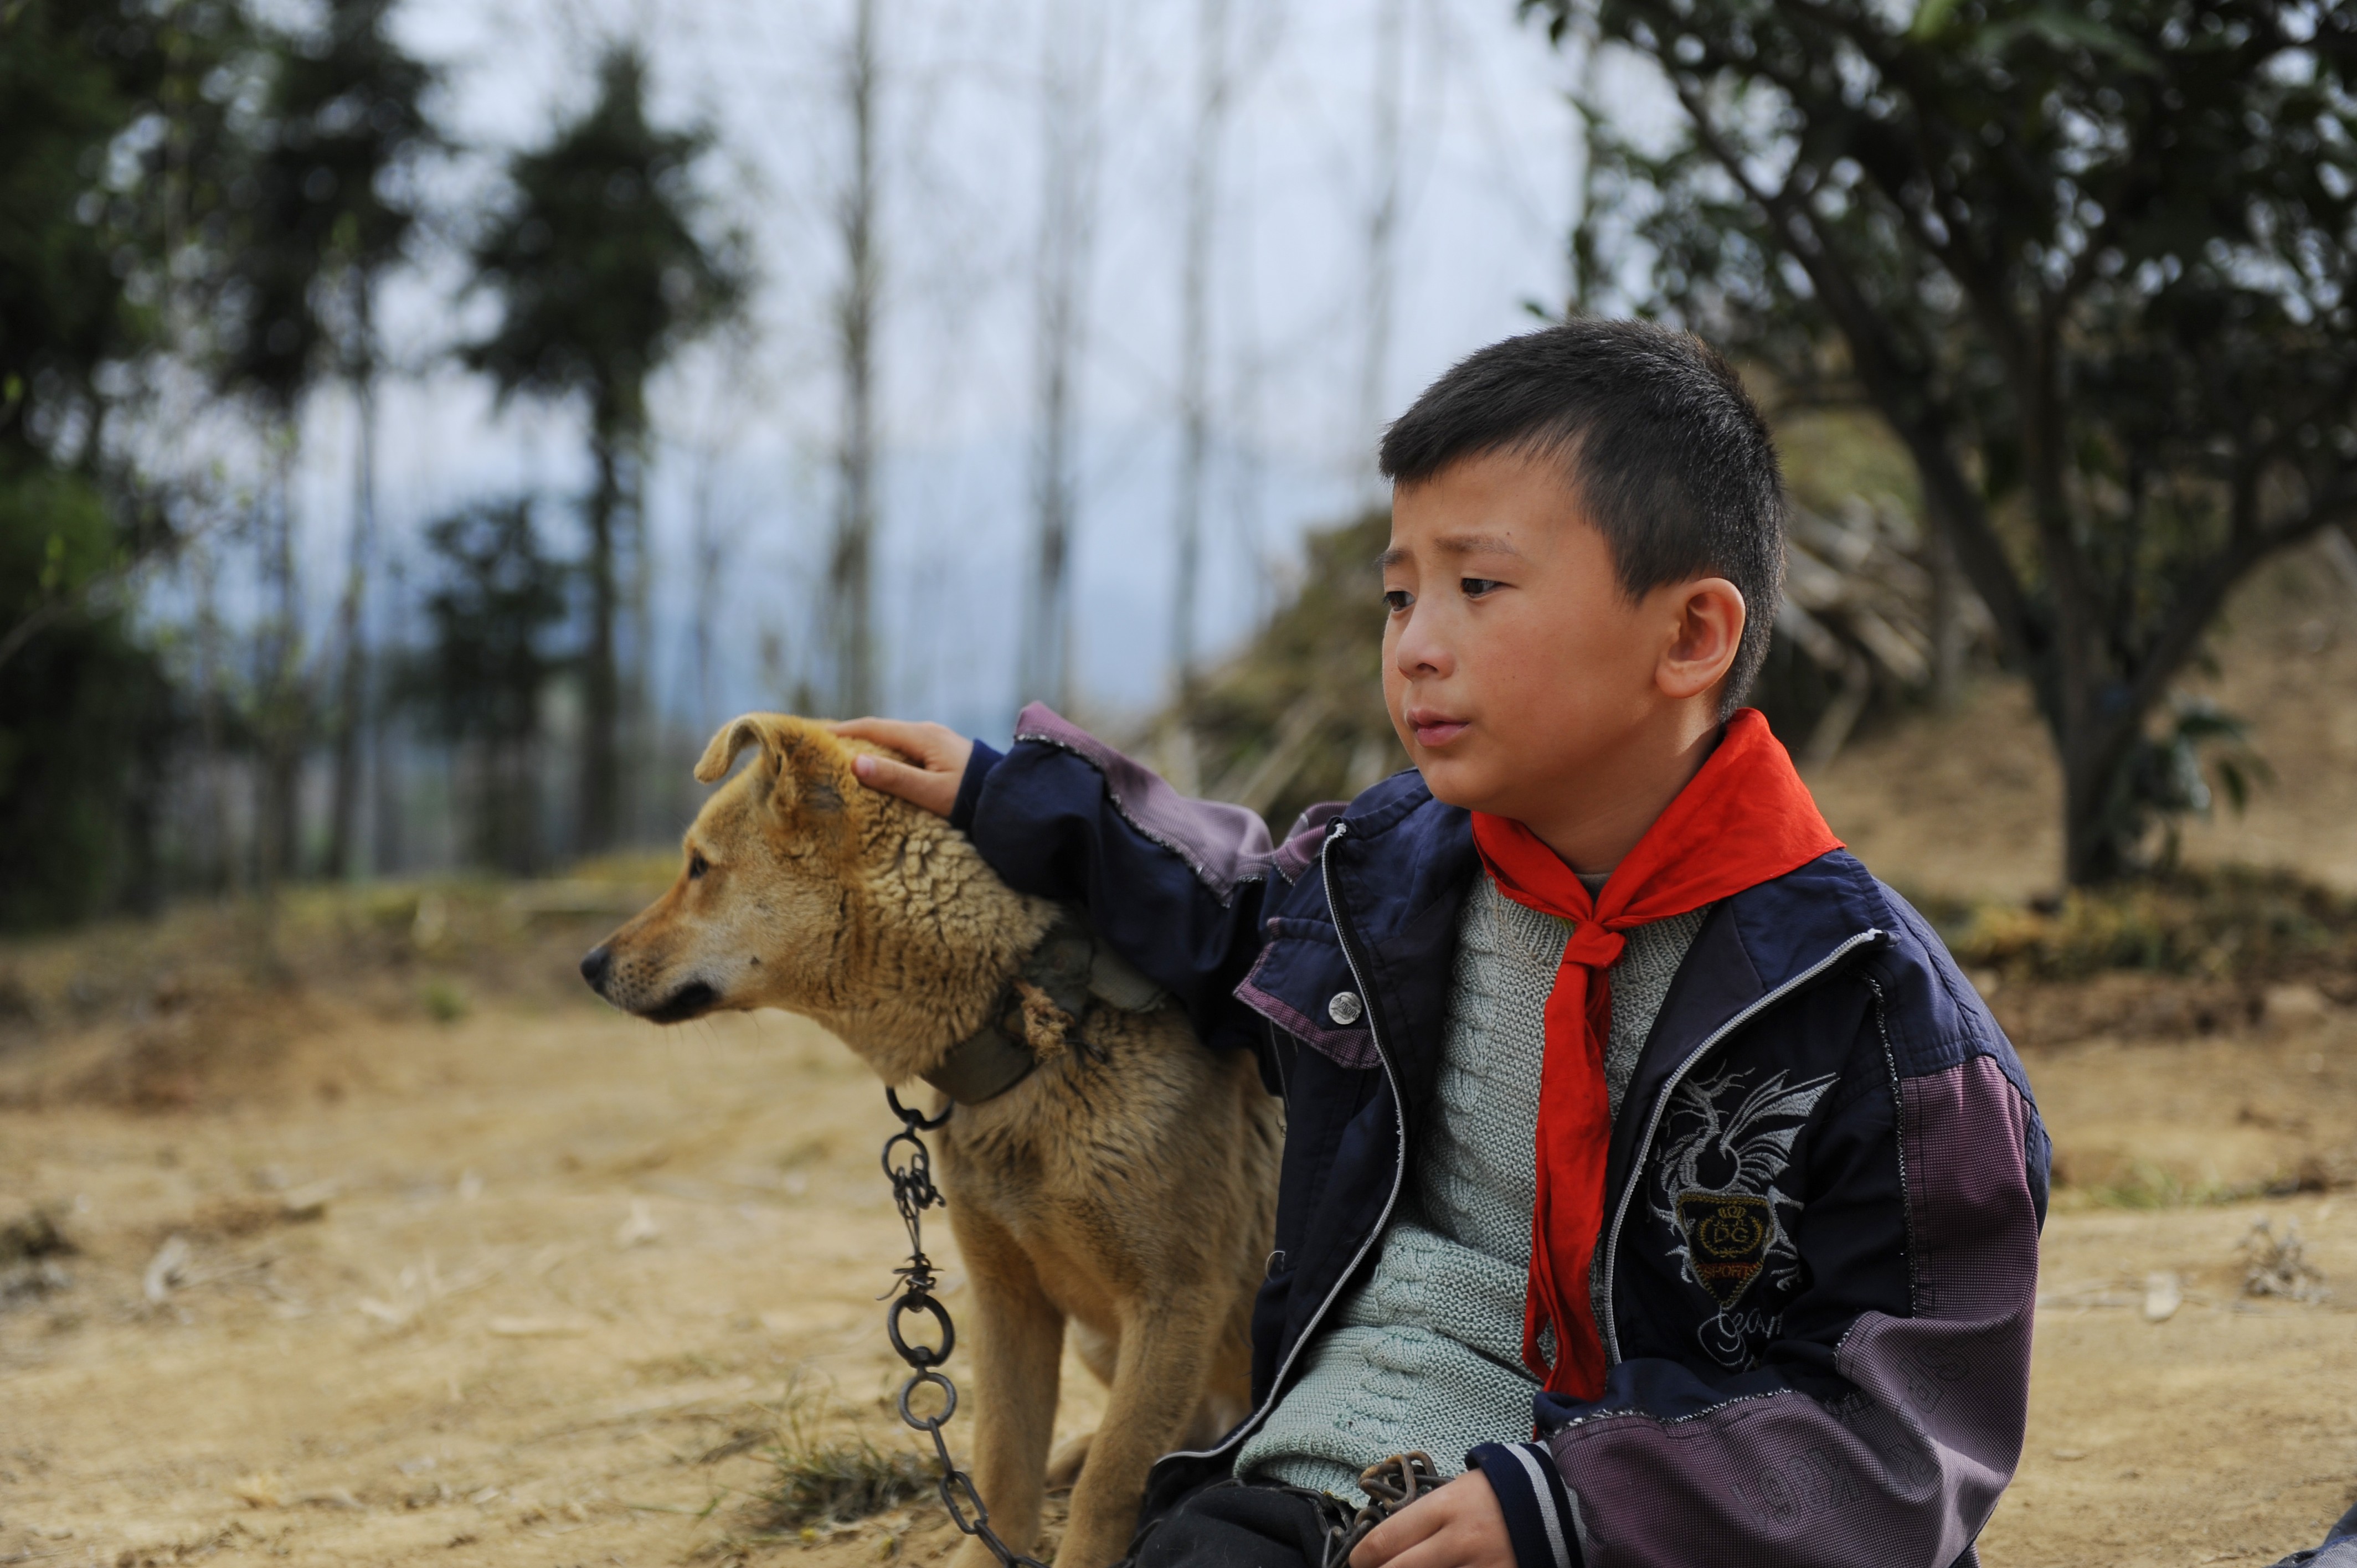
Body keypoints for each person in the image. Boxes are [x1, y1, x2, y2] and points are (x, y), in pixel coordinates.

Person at [838, 320, 2049, 1568]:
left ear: (1689, 637)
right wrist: (1013, 795)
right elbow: (1233, 917)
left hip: (1638, 1532)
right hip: (1321, 1477)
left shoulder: (1883, 1032)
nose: (1414, 643)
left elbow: (1904, 1444)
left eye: (1477, 586)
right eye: (1398, 592)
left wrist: (1569, 1511)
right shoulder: (1392, 881)